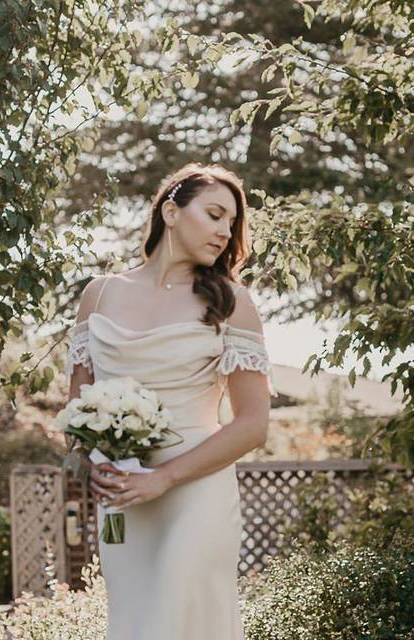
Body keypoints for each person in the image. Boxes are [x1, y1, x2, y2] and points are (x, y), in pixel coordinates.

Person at [64, 162, 277, 639]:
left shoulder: (229, 301)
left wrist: (163, 478)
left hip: (195, 491)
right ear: (171, 211)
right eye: (215, 214)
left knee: (175, 618)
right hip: (123, 498)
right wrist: (91, 461)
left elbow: (253, 425)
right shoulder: (98, 296)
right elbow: (76, 412)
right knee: (136, 624)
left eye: (232, 224)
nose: (225, 232)